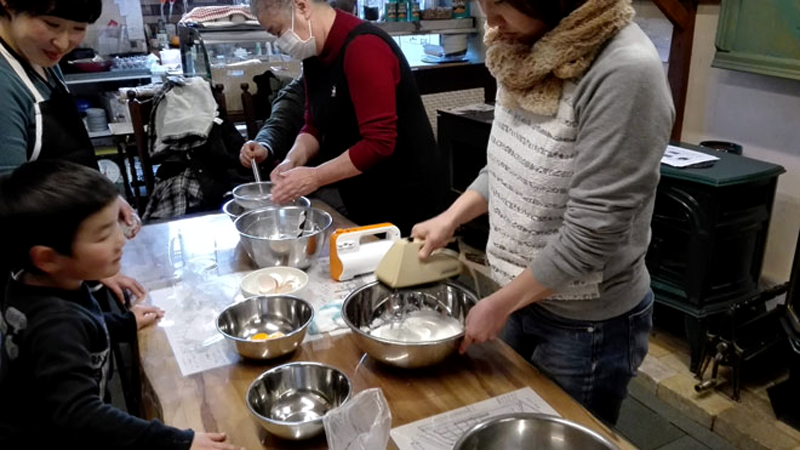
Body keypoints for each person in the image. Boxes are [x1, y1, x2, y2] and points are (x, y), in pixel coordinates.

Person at [412, 0, 674, 424]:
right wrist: (452, 217)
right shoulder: (522, 50)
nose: (490, 24)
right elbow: (508, 162)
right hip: (522, 297)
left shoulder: (625, 72)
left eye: (498, 7)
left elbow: (590, 237)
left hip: (585, 325)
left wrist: (498, 305)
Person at [0, 160, 236, 450]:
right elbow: (83, 414)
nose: (120, 239)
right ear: (48, 258)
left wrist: (123, 324)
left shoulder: (34, 284)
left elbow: (83, 328)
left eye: (116, 223)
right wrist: (178, 440)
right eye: (102, 234)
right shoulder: (55, 327)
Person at [241, 0, 449, 234]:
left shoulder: (364, 47)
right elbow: (313, 126)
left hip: (407, 198)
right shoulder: (314, 54)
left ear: (302, 7)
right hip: (364, 193)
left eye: (278, 32)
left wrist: (315, 177)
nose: (280, 43)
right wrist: (291, 162)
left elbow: (378, 144)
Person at [0, 0, 142, 303]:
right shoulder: (4, 83)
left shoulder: (39, 58)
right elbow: (10, 207)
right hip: (45, 287)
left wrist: (96, 198)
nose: (63, 42)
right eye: (51, 25)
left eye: (78, 29)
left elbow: (57, 165)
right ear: (9, 5)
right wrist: (86, 261)